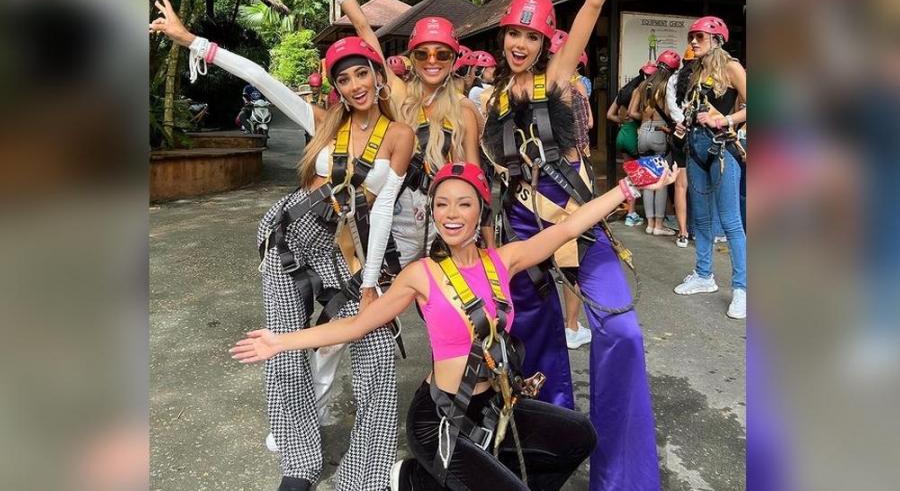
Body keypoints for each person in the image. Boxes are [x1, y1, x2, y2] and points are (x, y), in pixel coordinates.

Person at [230, 160, 676, 490]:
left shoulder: (505, 260)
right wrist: (281, 340)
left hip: (494, 407)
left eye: (463, 203)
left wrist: (626, 187)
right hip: (440, 420)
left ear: (481, 212)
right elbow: (355, 327)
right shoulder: (420, 275)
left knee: (579, 435)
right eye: (441, 203)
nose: (451, 212)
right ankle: (412, 478)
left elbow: (570, 226)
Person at [150, 0, 415, 491]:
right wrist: (192, 41)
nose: (355, 85)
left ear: (378, 77)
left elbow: (380, 210)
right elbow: (260, 78)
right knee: (285, 350)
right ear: (335, 87)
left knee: (376, 347)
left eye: (362, 74)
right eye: (344, 78)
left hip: (344, 250)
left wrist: (371, 285)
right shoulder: (323, 123)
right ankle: (298, 462)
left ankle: (365, 471)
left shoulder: (400, 135)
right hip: (288, 242)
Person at [481, 0, 661, 491]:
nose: (520, 43)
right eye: (514, 35)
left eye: (531, 36)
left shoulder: (557, 80)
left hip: (580, 224)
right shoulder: (490, 103)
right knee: (535, 352)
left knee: (623, 333)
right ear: (503, 40)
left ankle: (623, 477)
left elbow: (590, 8)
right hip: (524, 233)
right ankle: (548, 466)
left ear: (544, 44)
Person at [307, 0, 482, 264]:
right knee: (373, 291)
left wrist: (481, 232)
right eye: (424, 54)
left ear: (453, 59)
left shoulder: (464, 109)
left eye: (441, 54)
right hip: (397, 212)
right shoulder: (400, 96)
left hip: (444, 216)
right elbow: (362, 27)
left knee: (445, 305)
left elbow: (473, 170)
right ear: (413, 58)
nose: (432, 61)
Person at [673, 16, 747, 319]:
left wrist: (725, 120)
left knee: (730, 222)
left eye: (700, 37)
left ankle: (741, 289)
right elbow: (694, 109)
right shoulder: (695, 72)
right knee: (700, 219)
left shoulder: (731, 68)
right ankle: (704, 275)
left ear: (717, 40)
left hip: (722, 151)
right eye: (692, 36)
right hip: (696, 149)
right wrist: (684, 124)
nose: (693, 41)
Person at [549, 30, 593, 350]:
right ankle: (571, 325)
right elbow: (588, 124)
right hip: (573, 168)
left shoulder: (535, 88)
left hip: (546, 172)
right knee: (570, 253)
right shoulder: (577, 87)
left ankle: (564, 324)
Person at [628, 49, 681, 237]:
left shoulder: (643, 85)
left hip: (643, 132)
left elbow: (631, 112)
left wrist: (645, 119)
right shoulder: (667, 86)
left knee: (647, 179)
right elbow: (671, 113)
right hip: (660, 133)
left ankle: (649, 224)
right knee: (662, 181)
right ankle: (659, 225)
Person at [607, 63, 655, 226]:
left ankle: (628, 210)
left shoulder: (624, 91)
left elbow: (609, 115)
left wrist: (623, 122)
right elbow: (641, 115)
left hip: (623, 134)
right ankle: (633, 213)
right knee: (638, 176)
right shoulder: (645, 91)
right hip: (635, 135)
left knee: (628, 175)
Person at [665, 45, 695, 247]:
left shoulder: (673, 80)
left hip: (679, 134)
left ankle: (682, 232)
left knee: (680, 186)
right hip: (699, 134)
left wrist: (681, 123)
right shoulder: (702, 78)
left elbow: (672, 109)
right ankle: (699, 231)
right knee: (702, 185)